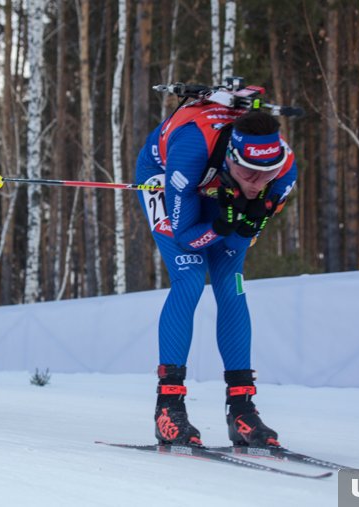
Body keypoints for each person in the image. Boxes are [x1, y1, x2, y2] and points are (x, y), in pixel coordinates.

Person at [135, 99, 297, 447]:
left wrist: (246, 221)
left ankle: (242, 409)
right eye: (250, 173)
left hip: (216, 183)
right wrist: (223, 224)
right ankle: (168, 407)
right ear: (232, 159)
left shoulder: (283, 170)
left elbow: (239, 242)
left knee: (231, 285)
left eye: (266, 173)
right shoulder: (191, 152)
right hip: (170, 177)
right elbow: (187, 237)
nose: (258, 183)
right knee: (190, 279)